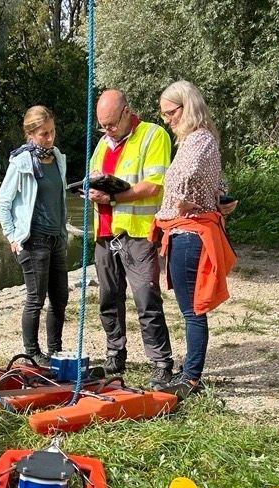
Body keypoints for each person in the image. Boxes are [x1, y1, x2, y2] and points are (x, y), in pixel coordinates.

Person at [151, 80, 237, 400]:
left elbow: (186, 180)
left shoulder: (198, 140)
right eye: (164, 115)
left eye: (169, 113)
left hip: (190, 232)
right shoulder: (201, 141)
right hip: (188, 230)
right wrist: (217, 199)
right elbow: (219, 183)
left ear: (186, 107)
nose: (167, 119)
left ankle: (190, 379)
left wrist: (181, 202)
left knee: (193, 311)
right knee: (192, 309)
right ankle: (190, 374)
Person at [87, 89, 176, 388]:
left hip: (138, 232)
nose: (107, 130)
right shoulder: (101, 144)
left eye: (111, 124)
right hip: (105, 233)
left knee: (146, 298)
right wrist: (92, 193)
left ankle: (161, 362)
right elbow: (95, 179)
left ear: (127, 112)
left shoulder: (154, 136)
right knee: (108, 299)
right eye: (103, 125)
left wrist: (112, 197)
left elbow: (154, 186)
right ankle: (115, 354)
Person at [0, 105, 70, 368]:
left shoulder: (58, 158)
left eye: (51, 132)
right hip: (33, 240)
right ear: (30, 134)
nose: (49, 139)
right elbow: (3, 202)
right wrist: (12, 237)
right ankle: (32, 352)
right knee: (35, 299)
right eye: (43, 135)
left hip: (57, 238)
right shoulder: (22, 162)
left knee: (60, 297)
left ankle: (56, 350)